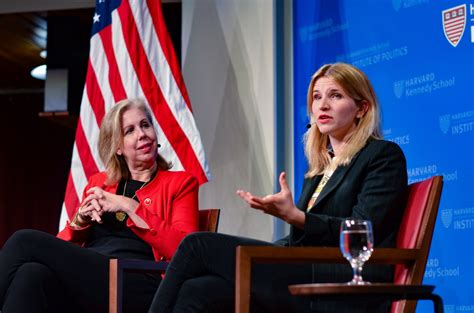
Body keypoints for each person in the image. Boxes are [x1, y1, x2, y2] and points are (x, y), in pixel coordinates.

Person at [148, 63, 408, 313]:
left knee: (197, 245)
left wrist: (298, 218)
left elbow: (363, 230)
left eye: (335, 95)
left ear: (362, 108)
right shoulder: (320, 167)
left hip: (351, 279)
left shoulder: (382, 155)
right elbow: (304, 237)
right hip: (310, 270)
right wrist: (276, 243)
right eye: (317, 97)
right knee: (199, 290)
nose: (323, 105)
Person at [0, 98, 199, 313]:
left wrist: (129, 206)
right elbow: (65, 242)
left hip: (136, 279)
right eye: (129, 131)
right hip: (92, 275)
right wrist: (81, 220)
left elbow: (185, 250)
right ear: (118, 147)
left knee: (24, 241)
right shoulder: (100, 182)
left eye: (145, 125)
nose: (141, 134)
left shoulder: (180, 183)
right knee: (31, 273)